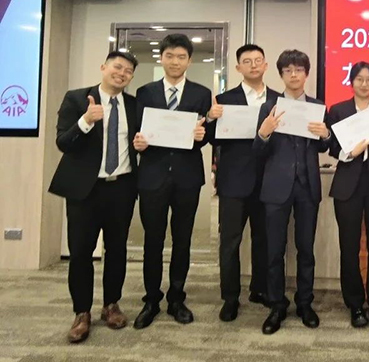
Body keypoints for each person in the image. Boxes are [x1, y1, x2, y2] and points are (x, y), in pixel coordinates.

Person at [49, 51, 139, 343]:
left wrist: (143, 144)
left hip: (121, 187)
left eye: (128, 71)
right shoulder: (77, 99)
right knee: (80, 252)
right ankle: (81, 312)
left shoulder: (134, 105)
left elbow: (141, 140)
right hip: (84, 190)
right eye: (117, 67)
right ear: (103, 67)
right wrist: (85, 121)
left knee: (117, 250)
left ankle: (111, 305)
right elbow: (63, 142)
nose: (121, 73)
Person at [132, 33, 211, 329]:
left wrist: (202, 136)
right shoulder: (145, 92)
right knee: (152, 240)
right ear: (161, 58)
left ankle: (177, 298)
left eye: (181, 57)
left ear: (189, 60)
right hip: (152, 175)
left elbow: (206, 135)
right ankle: (151, 299)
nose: (175, 62)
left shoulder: (202, 93)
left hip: (187, 176)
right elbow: (137, 132)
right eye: (170, 56)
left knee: (183, 239)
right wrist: (138, 143)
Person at [254, 49, 331, 335]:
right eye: (288, 70)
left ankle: (304, 303)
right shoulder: (269, 106)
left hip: (307, 186)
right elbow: (257, 151)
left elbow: (324, 146)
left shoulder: (317, 105)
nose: (294, 75)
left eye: (299, 70)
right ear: (281, 75)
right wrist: (264, 133)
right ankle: (277, 305)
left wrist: (325, 134)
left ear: (306, 74)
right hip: (276, 186)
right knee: (274, 250)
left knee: (305, 249)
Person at [207, 44, 279, 321]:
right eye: (247, 61)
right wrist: (210, 119)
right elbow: (211, 138)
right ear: (238, 68)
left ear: (266, 65)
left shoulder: (279, 99)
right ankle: (230, 298)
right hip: (234, 182)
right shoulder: (224, 99)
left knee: (264, 239)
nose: (253, 65)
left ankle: (259, 289)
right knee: (230, 242)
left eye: (258, 60)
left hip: (268, 181)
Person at [327, 62, 369, 328]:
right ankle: (355, 304)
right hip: (348, 185)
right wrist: (349, 153)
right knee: (349, 246)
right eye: (359, 79)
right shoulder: (338, 110)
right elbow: (333, 147)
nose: (364, 84)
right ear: (351, 82)